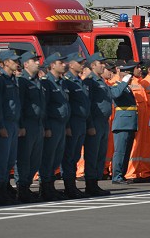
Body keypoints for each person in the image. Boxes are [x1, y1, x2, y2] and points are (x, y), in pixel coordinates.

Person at [0, 50, 21, 205]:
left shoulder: (13, 79)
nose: (16, 62)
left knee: (10, 160)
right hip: (6, 124)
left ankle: (4, 190)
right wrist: (1, 125)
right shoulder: (0, 80)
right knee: (1, 161)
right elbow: (0, 105)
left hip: (14, 124)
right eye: (13, 60)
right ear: (5, 63)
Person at [40, 52, 69, 201]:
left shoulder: (61, 81)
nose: (64, 64)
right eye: (60, 62)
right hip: (52, 123)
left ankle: (50, 186)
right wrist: (46, 127)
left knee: (56, 157)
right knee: (48, 157)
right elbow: (44, 106)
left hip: (61, 124)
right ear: (52, 65)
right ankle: (45, 187)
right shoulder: (47, 82)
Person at [16, 51, 45, 203]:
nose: (38, 62)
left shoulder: (36, 80)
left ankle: (26, 187)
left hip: (38, 124)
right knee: (24, 159)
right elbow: (19, 104)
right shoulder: (22, 81)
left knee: (35, 159)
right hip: (27, 124)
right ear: (26, 64)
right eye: (34, 60)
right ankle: (22, 189)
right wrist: (21, 125)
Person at [82, 52, 112, 196]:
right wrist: (90, 124)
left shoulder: (100, 80)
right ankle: (90, 184)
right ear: (93, 65)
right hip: (95, 122)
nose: (103, 65)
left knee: (100, 154)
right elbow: (88, 104)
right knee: (92, 154)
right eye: (101, 63)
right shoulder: (90, 81)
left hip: (103, 122)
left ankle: (95, 182)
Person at [61, 53, 90, 198]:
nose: (82, 65)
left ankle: (72, 185)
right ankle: (69, 186)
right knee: (69, 156)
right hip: (72, 122)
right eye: (79, 62)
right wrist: (67, 125)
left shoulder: (79, 81)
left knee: (76, 155)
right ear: (71, 65)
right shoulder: (68, 81)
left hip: (81, 122)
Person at [110, 61, 139, 184]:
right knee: (120, 151)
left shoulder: (126, 87)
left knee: (126, 152)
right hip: (122, 123)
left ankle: (122, 174)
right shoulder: (116, 85)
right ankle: (116, 176)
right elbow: (116, 95)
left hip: (130, 123)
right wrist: (123, 82)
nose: (131, 76)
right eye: (128, 73)